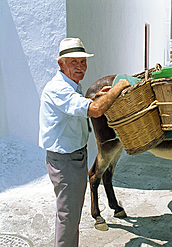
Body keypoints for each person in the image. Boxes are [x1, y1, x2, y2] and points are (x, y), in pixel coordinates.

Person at [38, 37, 130, 247]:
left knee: (71, 215)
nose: (80, 67)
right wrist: (118, 88)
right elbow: (96, 110)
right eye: (73, 62)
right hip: (65, 161)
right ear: (61, 64)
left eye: (83, 62)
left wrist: (98, 94)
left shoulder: (71, 85)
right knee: (68, 217)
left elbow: (82, 104)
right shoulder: (58, 89)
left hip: (74, 157)